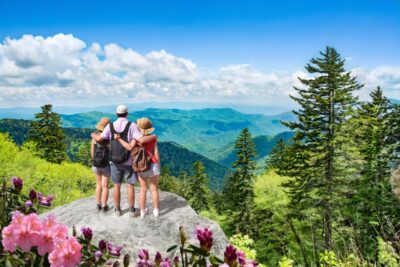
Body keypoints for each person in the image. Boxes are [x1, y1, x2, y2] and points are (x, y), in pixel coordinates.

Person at [91, 105, 156, 217]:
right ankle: (131, 210)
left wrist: (92, 134)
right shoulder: (132, 125)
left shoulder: (110, 126)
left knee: (117, 185)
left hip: (114, 161)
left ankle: (117, 210)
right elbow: (141, 139)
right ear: (127, 114)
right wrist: (154, 136)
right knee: (130, 185)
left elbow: (99, 138)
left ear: (116, 114)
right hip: (128, 161)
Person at [136, 118, 161, 218]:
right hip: (153, 164)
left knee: (143, 190)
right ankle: (156, 211)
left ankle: (142, 212)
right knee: (154, 189)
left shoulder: (137, 138)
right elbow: (156, 151)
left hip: (141, 165)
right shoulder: (153, 138)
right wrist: (158, 165)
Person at [91, 117, 111, 212]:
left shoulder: (95, 137)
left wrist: (94, 160)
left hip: (96, 164)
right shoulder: (109, 138)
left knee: (98, 185)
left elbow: (92, 151)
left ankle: (98, 204)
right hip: (106, 164)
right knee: (105, 186)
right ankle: (104, 206)